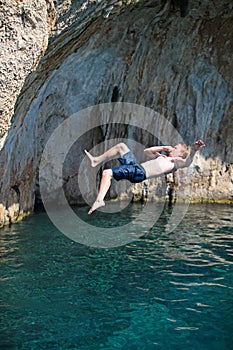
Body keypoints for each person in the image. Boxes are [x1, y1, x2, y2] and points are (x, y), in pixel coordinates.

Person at [85, 140, 205, 214]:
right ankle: (96, 160)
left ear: (179, 153)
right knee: (121, 146)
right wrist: (162, 148)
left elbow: (187, 162)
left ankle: (100, 200)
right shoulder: (163, 157)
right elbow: (147, 151)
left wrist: (193, 150)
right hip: (136, 167)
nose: (172, 148)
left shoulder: (175, 161)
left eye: (175, 148)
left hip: (139, 173)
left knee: (107, 173)